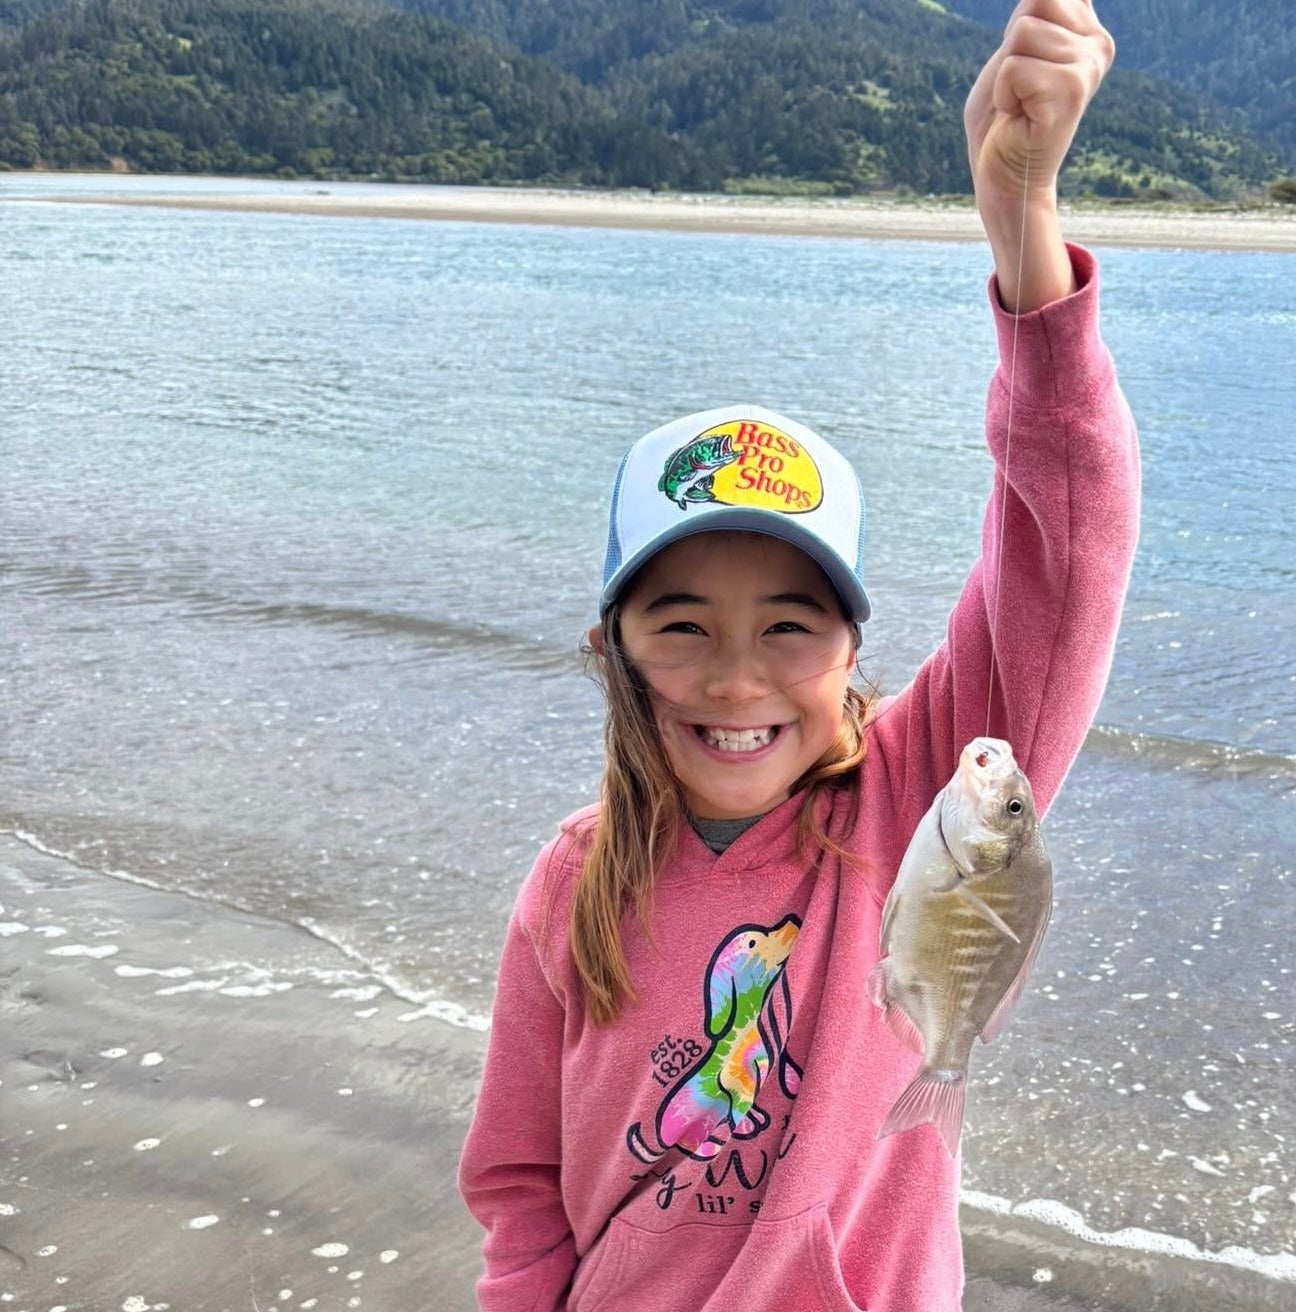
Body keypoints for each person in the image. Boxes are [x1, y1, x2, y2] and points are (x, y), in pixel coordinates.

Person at [458, 2, 1136, 1308]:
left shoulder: (932, 787)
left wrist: (1020, 224)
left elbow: (1066, 553)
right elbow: (518, 1193)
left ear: (847, 645)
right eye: (680, 625)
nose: (734, 677)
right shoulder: (572, 882)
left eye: (788, 623)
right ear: (613, 650)